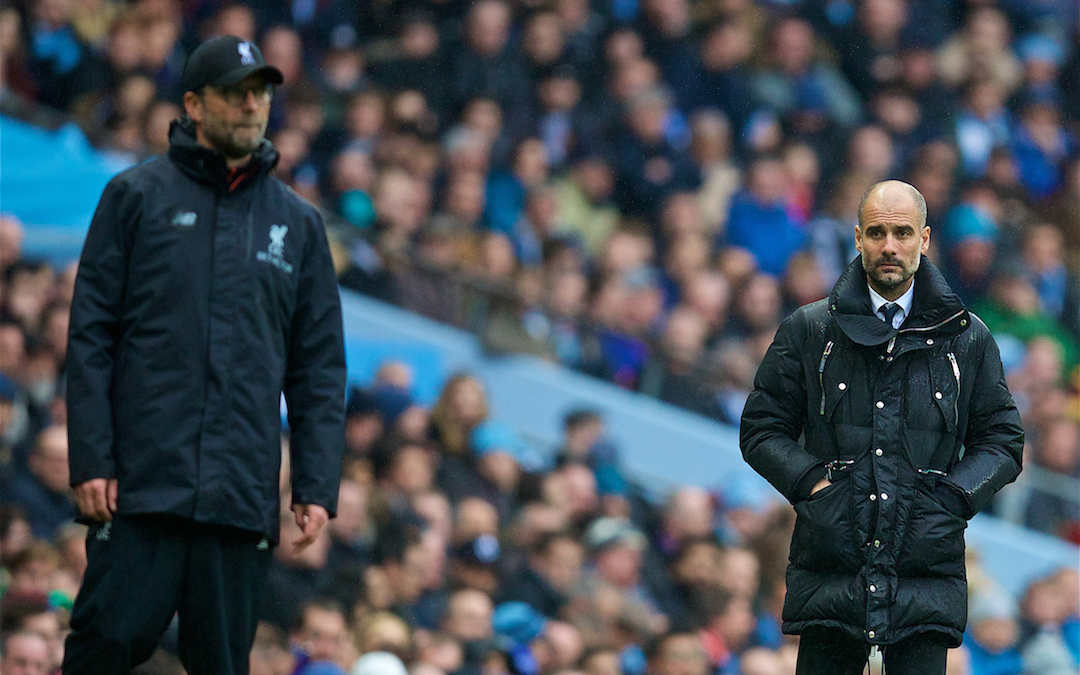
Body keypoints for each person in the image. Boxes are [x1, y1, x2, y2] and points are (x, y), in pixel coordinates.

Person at [62, 35, 347, 674]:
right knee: (101, 648)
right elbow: (91, 337)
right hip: (138, 486)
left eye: (261, 93)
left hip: (240, 498)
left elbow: (318, 368)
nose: (252, 105)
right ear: (194, 103)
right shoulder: (135, 197)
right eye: (236, 93)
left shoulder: (298, 226)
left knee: (221, 666)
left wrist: (315, 484)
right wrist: (91, 459)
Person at [740, 180, 1024, 675]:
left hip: (925, 568)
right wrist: (815, 487)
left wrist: (952, 499)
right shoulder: (810, 329)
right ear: (857, 238)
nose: (888, 246)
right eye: (876, 232)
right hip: (832, 562)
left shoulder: (967, 337)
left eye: (901, 232)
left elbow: (1003, 441)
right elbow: (761, 429)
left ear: (925, 239)